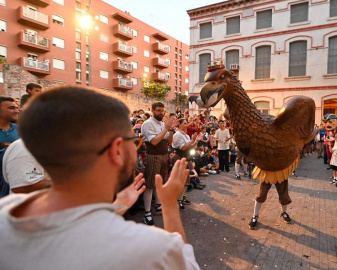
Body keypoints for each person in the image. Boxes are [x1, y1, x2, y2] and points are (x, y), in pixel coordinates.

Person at [0, 86, 200, 270]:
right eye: (133, 139)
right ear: (116, 150)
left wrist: (113, 210)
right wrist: (169, 204)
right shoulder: (150, 248)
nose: (137, 144)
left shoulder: (6, 211)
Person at [141, 102, 178, 225]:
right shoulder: (147, 124)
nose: (161, 113)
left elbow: (169, 141)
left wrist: (171, 130)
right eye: (158, 111)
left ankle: (158, 205)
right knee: (150, 184)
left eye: (163, 111)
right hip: (153, 156)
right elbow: (154, 142)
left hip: (164, 155)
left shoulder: (163, 124)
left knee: (160, 182)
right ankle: (147, 213)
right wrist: (166, 129)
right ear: (152, 110)